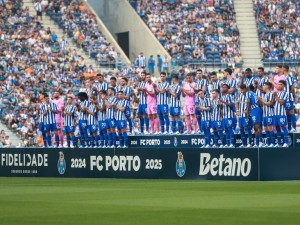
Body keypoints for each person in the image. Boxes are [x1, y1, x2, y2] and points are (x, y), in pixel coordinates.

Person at [258, 82, 275, 147]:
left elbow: (270, 103)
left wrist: (261, 100)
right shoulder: (265, 95)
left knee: (270, 128)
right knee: (266, 129)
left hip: (269, 114)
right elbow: (264, 104)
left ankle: (273, 143)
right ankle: (268, 143)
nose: (263, 86)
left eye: (264, 85)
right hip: (265, 114)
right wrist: (260, 101)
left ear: (267, 86)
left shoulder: (271, 94)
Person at [273, 80, 289, 147]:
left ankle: (286, 143)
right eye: (278, 84)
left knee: (283, 127)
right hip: (275, 113)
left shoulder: (286, 93)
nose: (279, 85)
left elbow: (282, 102)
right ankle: (279, 143)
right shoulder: (278, 93)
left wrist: (276, 96)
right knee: (277, 128)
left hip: (281, 113)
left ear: (284, 86)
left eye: (281, 84)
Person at [219, 83, 235, 148]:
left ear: (228, 89)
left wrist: (224, 102)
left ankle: (232, 143)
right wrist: (220, 106)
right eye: (222, 87)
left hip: (229, 116)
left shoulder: (230, 96)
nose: (223, 88)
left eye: (225, 87)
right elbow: (222, 107)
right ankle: (227, 144)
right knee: (226, 130)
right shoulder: (222, 97)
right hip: (224, 116)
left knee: (230, 129)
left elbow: (231, 105)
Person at [283, 65, 296, 133]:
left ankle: (294, 128)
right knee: (287, 113)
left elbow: (292, 87)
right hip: (285, 97)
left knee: (291, 112)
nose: (281, 70)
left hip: (289, 97)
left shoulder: (289, 77)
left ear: (285, 69)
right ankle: (289, 128)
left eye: (282, 69)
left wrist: (293, 96)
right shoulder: (285, 77)